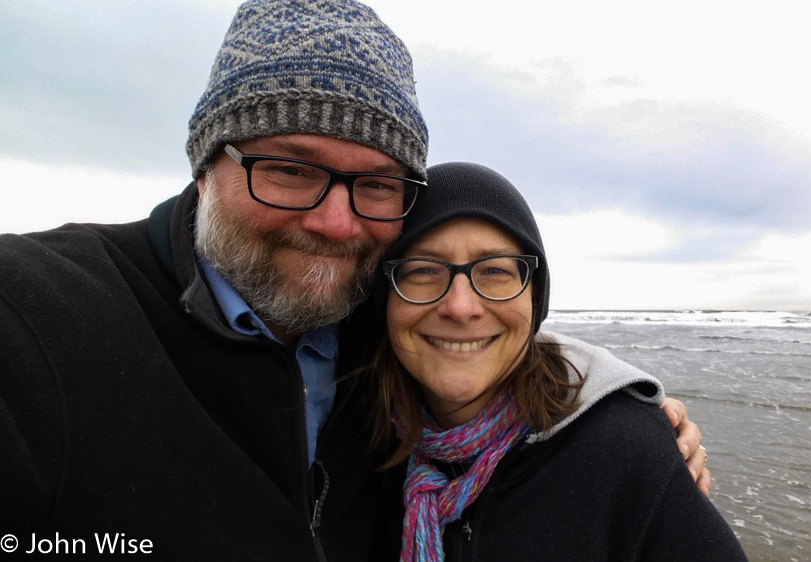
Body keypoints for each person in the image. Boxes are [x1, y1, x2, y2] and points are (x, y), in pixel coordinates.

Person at [0, 1, 706, 560]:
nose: (337, 223)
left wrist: (621, 404)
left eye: (375, 184)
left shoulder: (374, 326)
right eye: (291, 169)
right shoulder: (40, 316)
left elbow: (482, 323)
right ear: (207, 162)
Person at [369, 162, 747, 561]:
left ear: (535, 300)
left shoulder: (623, 450)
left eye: (495, 270)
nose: (461, 307)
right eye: (423, 270)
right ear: (385, 298)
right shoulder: (346, 434)